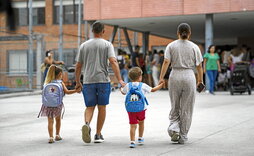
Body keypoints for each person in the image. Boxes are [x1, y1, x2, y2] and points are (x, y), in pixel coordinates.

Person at [75, 22, 125, 144]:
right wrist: (119, 79)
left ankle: (87, 124)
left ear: (92, 31)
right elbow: (113, 61)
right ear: (103, 31)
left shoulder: (84, 46)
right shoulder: (107, 45)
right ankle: (98, 134)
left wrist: (77, 82)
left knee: (89, 107)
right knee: (102, 107)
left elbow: (78, 66)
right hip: (103, 80)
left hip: (88, 81)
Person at [159, 23, 204, 144]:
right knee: (187, 108)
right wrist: (200, 80)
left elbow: (166, 62)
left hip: (175, 75)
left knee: (175, 105)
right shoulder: (194, 47)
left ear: (177, 33)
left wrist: (161, 77)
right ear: (189, 33)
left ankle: (174, 129)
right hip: (189, 76)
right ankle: (183, 136)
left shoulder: (171, 46)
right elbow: (199, 66)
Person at [120, 67, 164, 148]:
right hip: (141, 109)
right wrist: (160, 86)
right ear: (140, 77)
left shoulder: (128, 85)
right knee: (141, 122)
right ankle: (140, 138)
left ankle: (132, 141)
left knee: (132, 125)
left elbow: (123, 92)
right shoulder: (143, 85)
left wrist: (121, 88)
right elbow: (153, 90)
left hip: (130, 109)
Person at [38, 65, 80, 143]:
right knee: (58, 120)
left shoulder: (47, 83)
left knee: (50, 121)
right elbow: (67, 92)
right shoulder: (60, 83)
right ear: (59, 74)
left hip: (47, 105)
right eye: (61, 74)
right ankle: (57, 135)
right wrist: (76, 91)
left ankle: (51, 137)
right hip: (57, 105)